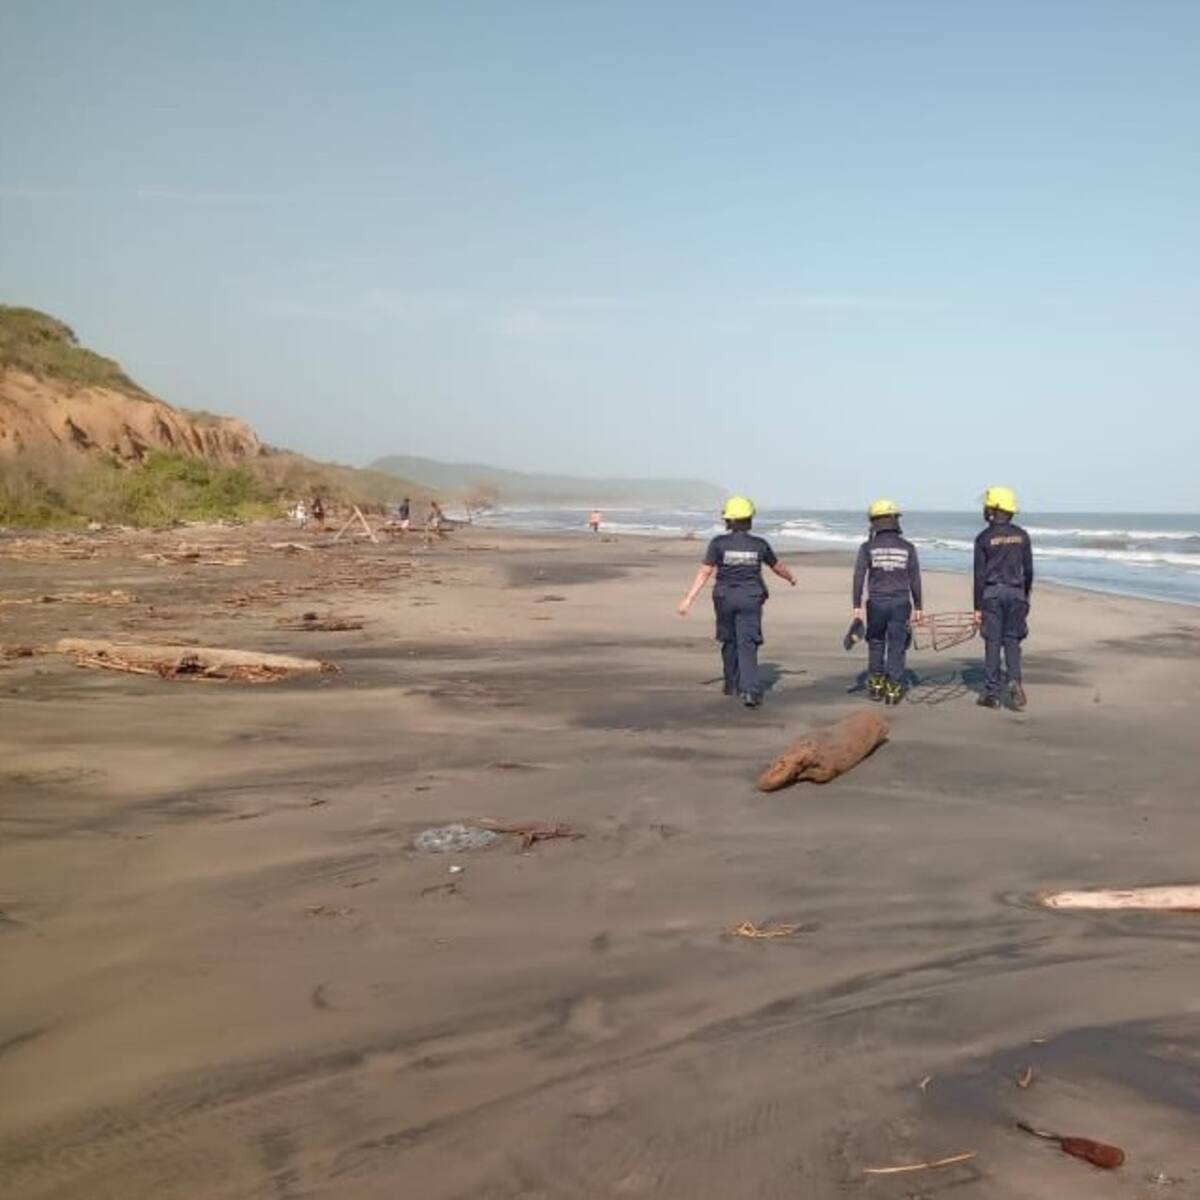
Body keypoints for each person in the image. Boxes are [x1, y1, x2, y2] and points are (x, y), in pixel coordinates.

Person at [677, 496, 796, 707]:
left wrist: (688, 599)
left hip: (724, 598)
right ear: (749, 519)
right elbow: (777, 567)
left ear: (728, 520)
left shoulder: (718, 543)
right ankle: (750, 690)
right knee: (747, 642)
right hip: (750, 598)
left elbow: (705, 571)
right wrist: (791, 578)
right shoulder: (760, 544)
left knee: (728, 639)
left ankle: (731, 683)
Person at [852, 498, 923, 705]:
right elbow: (915, 578)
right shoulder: (908, 547)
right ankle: (893, 689)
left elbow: (858, 577)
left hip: (876, 603)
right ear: (895, 520)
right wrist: (919, 607)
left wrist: (856, 606)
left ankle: (875, 686)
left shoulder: (867, 547)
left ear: (874, 521)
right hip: (901, 603)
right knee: (897, 645)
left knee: (876, 642)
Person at [973, 486, 1033, 710]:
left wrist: (977, 607)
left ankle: (992, 694)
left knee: (993, 642)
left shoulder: (983, 538)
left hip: (992, 593)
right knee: (1012, 641)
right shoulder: (1022, 535)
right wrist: (1024, 597)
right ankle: (1014, 680)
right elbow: (1028, 570)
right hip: (1016, 592)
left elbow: (979, 576)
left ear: (992, 509)